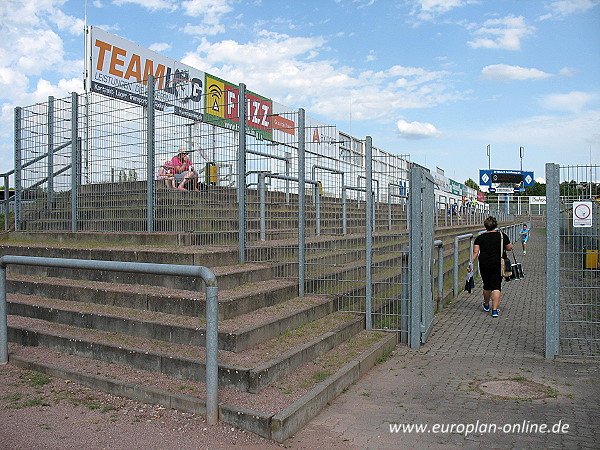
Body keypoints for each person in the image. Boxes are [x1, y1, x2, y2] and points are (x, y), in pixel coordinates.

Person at [467, 216, 513, 318]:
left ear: (485, 226)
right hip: (498, 263)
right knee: (496, 286)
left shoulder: (480, 238)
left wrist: (470, 264)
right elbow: (509, 247)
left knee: (487, 285)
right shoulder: (502, 236)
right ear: (495, 225)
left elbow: (475, 253)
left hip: (484, 263)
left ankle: (486, 305)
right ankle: (495, 310)